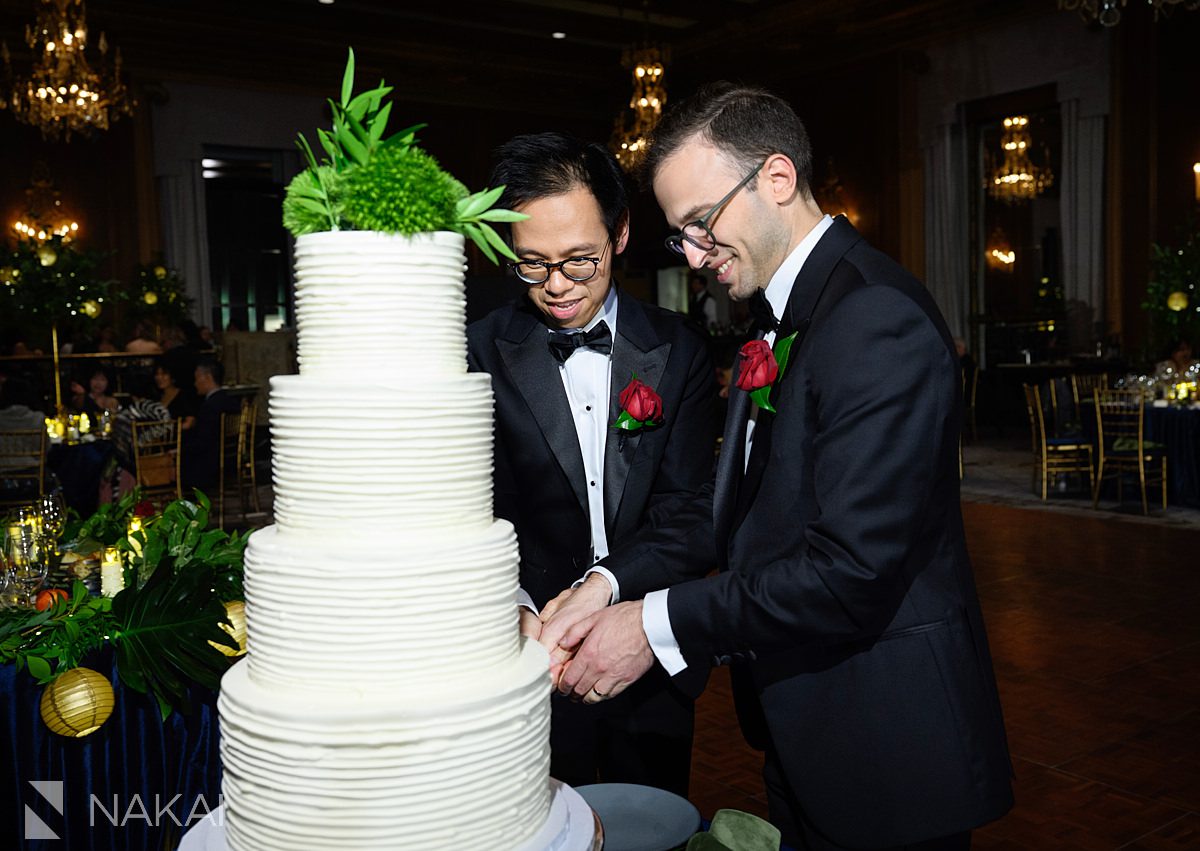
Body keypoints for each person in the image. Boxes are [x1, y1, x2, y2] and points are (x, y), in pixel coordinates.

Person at [545, 83, 1013, 850]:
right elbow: (743, 514)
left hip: (890, 746)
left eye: (701, 223)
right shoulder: (780, 315)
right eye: (681, 235)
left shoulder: (873, 316)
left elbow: (849, 572)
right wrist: (607, 584)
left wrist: (656, 628)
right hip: (808, 727)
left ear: (777, 178)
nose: (693, 254)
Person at [465, 132, 719, 795]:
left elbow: (691, 511)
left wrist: (606, 586)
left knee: (657, 826)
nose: (556, 285)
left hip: (647, 649)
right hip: (529, 656)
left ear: (622, 232)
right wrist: (517, 613)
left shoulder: (678, 350)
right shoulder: (477, 354)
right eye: (532, 263)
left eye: (581, 259)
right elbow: (474, 511)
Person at [181, 357, 240, 494]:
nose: (195, 383)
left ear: (207, 377)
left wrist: (179, 450)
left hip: (211, 460)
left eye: (197, 378)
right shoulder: (229, 401)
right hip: (229, 455)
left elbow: (204, 440)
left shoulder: (210, 406)